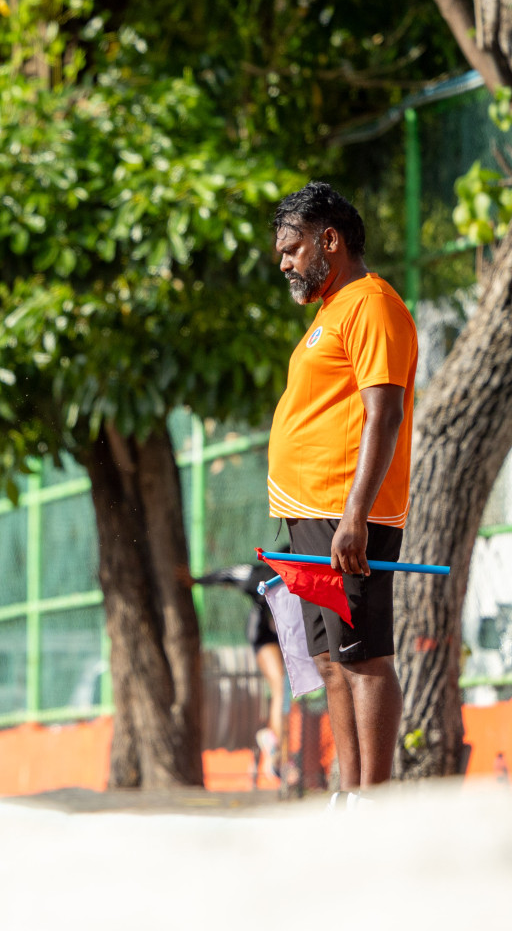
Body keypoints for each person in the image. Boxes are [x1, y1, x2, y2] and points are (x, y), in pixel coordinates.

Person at [268, 182, 416, 807]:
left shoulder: (371, 303)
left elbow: (383, 414)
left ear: (330, 240)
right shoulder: (328, 313)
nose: (285, 264)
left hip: (344, 515)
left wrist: (354, 516)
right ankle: (347, 792)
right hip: (308, 517)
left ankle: (374, 803)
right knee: (329, 661)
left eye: (293, 248)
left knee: (363, 656)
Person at [196, 559, 286, 780]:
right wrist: (196, 580)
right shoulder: (262, 573)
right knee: (280, 686)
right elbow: (229, 572)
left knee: (286, 692)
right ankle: (277, 750)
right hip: (263, 636)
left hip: (282, 636)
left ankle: (275, 744)